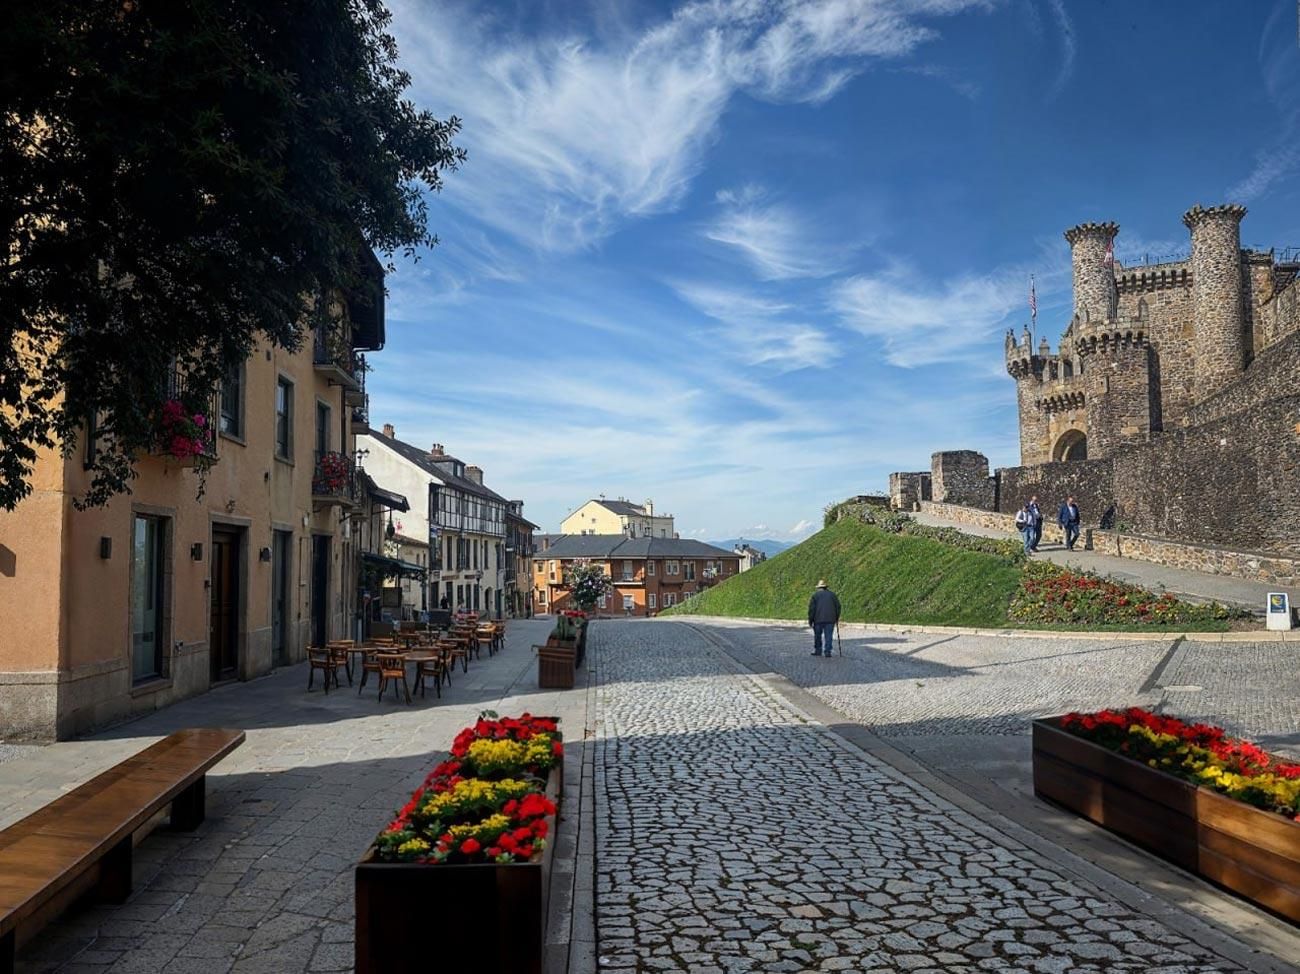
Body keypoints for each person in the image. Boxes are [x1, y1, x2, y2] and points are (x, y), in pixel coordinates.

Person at [807, 580, 841, 657]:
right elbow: (838, 607)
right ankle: (827, 651)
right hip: (830, 619)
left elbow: (812, 609)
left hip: (818, 619)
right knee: (828, 636)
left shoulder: (815, 596)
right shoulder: (832, 595)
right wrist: (836, 617)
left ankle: (818, 650)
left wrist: (810, 620)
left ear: (819, 588)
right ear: (826, 587)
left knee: (818, 635)